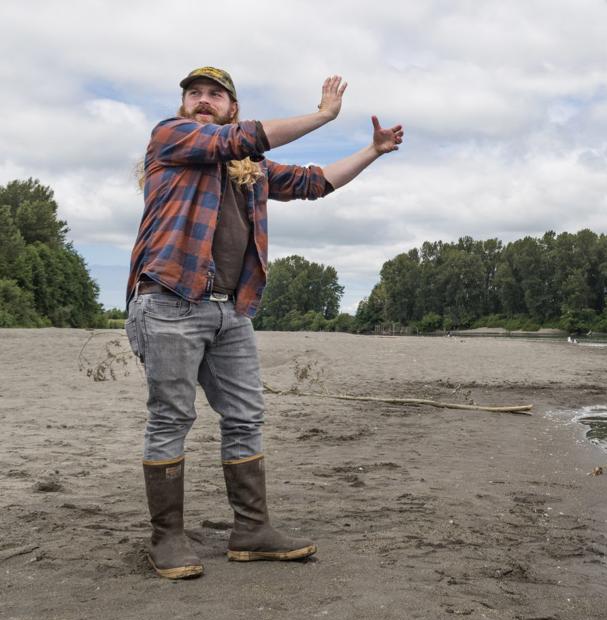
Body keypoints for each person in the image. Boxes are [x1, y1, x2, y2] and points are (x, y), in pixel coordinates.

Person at [125, 66, 403, 579]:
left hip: (230, 310)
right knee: (171, 418)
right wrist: (323, 116)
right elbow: (240, 138)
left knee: (245, 417)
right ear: (183, 105)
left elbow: (314, 183)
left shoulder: (250, 169)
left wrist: (373, 151)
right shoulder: (171, 137)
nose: (203, 100)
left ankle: (251, 530)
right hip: (169, 301)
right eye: (194, 93)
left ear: (231, 106)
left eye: (215, 95)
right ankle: (167, 538)